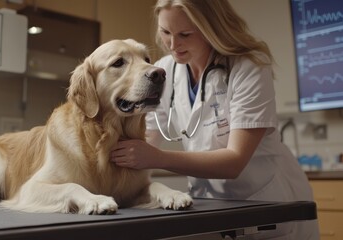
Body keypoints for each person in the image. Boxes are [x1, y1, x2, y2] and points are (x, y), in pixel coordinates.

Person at [110, 0, 319, 239]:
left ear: (212, 28)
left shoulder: (248, 67)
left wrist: (155, 158)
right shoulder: (165, 69)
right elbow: (147, 138)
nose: (173, 45)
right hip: (210, 206)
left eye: (185, 34)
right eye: (165, 32)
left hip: (263, 203)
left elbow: (234, 161)